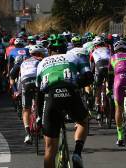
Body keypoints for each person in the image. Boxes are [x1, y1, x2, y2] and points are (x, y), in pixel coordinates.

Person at [36, 37, 89, 168]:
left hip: (51, 97)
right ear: (66, 49)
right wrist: (76, 84)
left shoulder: (42, 62)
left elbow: (40, 92)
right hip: (70, 92)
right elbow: (89, 77)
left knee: (49, 149)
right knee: (83, 121)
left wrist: (38, 116)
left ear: (49, 50)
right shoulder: (73, 57)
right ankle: (77, 152)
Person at [10, 44, 47, 145]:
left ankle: (27, 134)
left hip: (25, 83)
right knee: (44, 100)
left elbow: (18, 78)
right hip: (36, 81)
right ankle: (40, 116)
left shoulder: (23, 62)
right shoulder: (41, 60)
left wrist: (17, 91)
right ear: (40, 53)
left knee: (26, 109)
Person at [110, 40, 126, 147]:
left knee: (119, 107)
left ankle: (120, 136)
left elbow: (110, 75)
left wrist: (108, 88)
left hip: (119, 81)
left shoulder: (112, 57)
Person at [90, 36, 112, 116]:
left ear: (95, 45)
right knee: (109, 85)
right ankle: (110, 96)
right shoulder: (108, 49)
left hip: (99, 69)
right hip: (108, 68)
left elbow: (92, 65)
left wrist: (91, 74)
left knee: (98, 87)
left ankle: (97, 104)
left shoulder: (93, 51)